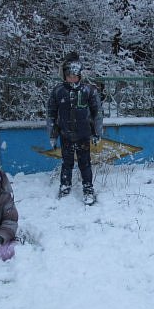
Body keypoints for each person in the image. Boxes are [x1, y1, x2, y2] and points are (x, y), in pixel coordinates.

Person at [47, 51, 103, 204]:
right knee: (67, 163)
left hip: (84, 135)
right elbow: (51, 114)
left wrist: (97, 132)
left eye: (75, 76)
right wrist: (52, 134)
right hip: (65, 135)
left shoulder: (88, 91)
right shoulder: (58, 91)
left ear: (80, 75)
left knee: (85, 163)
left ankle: (88, 188)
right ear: (64, 75)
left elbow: (97, 113)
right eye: (69, 76)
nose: (72, 79)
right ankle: (65, 185)